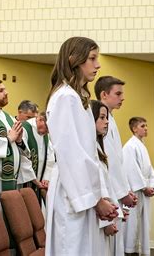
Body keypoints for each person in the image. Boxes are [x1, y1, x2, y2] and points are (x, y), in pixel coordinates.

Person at [45, 37, 118, 255]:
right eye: (92, 58)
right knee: (73, 248)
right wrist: (96, 200)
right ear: (74, 60)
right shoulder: (65, 97)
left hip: (80, 189)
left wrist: (100, 196)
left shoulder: (77, 97)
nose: (97, 65)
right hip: (73, 191)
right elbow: (72, 154)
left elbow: (88, 155)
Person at [95, 76, 138, 255]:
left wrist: (124, 191)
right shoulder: (100, 121)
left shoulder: (109, 120)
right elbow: (108, 165)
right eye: (118, 93)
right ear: (104, 94)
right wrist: (121, 195)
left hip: (114, 193)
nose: (122, 98)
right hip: (108, 194)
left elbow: (117, 162)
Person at [123, 117, 154, 256]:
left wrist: (152, 186)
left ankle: (138, 250)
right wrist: (144, 187)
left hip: (143, 191)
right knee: (132, 224)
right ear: (134, 128)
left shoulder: (141, 145)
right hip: (135, 192)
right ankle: (129, 250)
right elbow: (131, 170)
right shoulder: (130, 146)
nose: (146, 128)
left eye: (146, 125)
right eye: (143, 126)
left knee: (144, 223)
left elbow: (148, 169)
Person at [91, 100, 122, 255]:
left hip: (103, 215)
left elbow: (106, 185)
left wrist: (116, 210)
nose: (106, 121)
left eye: (106, 117)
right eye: (102, 117)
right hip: (96, 218)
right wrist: (106, 221)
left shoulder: (97, 147)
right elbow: (98, 188)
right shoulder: (89, 150)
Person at [24, 112, 55, 207]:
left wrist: (46, 178)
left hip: (39, 182)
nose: (47, 132)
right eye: (47, 128)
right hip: (25, 181)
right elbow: (23, 158)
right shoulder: (24, 128)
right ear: (40, 119)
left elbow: (50, 158)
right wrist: (34, 179)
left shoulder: (45, 133)